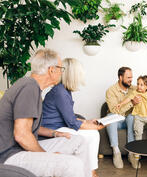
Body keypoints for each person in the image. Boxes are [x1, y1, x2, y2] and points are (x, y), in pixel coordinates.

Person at [0, 49, 92, 177]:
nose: (61, 72)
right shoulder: (29, 87)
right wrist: (46, 155)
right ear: (52, 70)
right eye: (61, 68)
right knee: (71, 164)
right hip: (9, 154)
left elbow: (28, 127)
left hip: (21, 148)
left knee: (78, 141)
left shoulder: (33, 88)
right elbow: (21, 135)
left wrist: (54, 133)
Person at [41, 58, 104, 177]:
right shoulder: (60, 92)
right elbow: (71, 122)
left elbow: (68, 115)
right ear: (73, 75)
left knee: (92, 134)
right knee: (93, 134)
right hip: (51, 130)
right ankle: (90, 172)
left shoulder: (64, 90)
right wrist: (96, 127)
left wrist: (87, 122)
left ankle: (89, 170)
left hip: (59, 125)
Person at [106, 67, 141, 169]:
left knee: (131, 117)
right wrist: (131, 103)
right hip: (117, 120)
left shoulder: (134, 88)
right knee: (111, 116)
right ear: (120, 77)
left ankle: (131, 153)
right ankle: (116, 152)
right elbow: (114, 110)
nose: (131, 79)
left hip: (129, 120)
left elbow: (145, 92)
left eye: (132, 77)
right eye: (128, 77)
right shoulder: (111, 91)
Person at [116, 75, 147, 141]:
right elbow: (128, 99)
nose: (139, 86)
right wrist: (121, 104)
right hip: (139, 117)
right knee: (138, 132)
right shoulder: (135, 92)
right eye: (138, 84)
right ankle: (138, 147)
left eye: (141, 85)